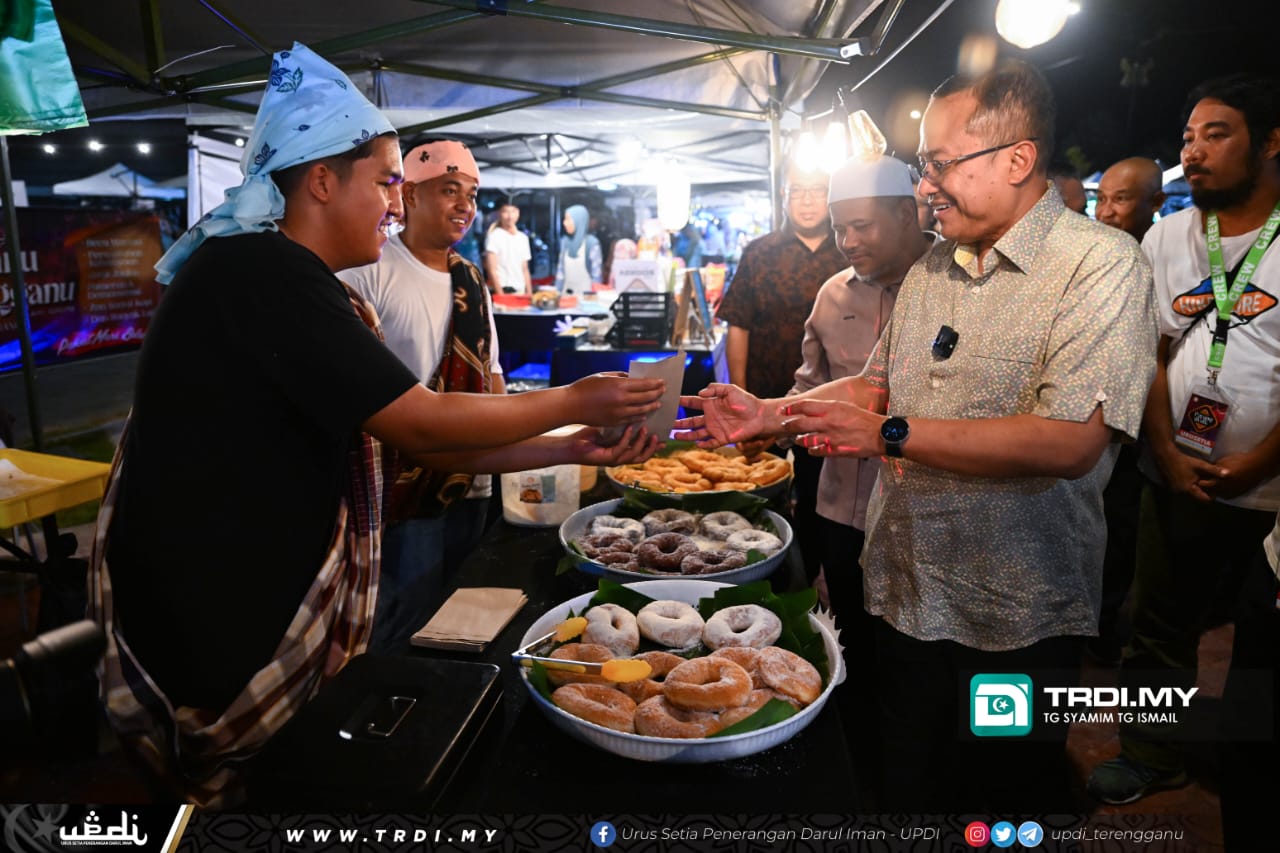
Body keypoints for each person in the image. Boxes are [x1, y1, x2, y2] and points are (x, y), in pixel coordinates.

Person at [86, 43, 663, 806]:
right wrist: (574, 400)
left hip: (234, 588)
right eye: (388, 181)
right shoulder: (262, 276)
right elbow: (420, 424)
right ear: (320, 179)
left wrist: (566, 443)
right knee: (243, 801)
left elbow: (407, 441)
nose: (397, 202)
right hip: (218, 605)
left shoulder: (282, 275)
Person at [677, 58, 1156, 812]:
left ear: (1017, 158)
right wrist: (772, 413)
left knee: (1001, 801)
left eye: (939, 163)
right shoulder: (936, 265)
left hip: (1015, 612)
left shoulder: (1100, 265)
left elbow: (1069, 441)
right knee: (903, 787)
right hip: (904, 591)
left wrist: (887, 434)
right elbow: (876, 381)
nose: (925, 183)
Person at [1088, 72, 1280, 806]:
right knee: (1157, 621)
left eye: (1216, 134)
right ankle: (1149, 752)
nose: (1192, 153)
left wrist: (1258, 461)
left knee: (1260, 640)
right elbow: (1151, 352)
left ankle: (1245, 764)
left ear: (1269, 142)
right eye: (1187, 138)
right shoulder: (1168, 236)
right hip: (1178, 472)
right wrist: (1163, 451)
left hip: (1269, 490)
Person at [790, 151, 934, 799]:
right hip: (839, 512)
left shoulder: (949, 285)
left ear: (909, 215)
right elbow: (811, 388)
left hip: (917, 519)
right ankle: (856, 784)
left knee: (908, 664)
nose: (847, 241)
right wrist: (789, 420)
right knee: (847, 647)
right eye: (841, 227)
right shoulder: (833, 293)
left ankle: (911, 787)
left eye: (863, 226)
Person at [338, 140, 506, 652]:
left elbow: (492, 376)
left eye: (472, 195)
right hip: (400, 494)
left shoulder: (470, 279)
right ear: (408, 194)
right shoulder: (370, 271)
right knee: (399, 619)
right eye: (449, 190)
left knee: (462, 617)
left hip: (469, 484)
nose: (465, 206)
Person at [715, 160, 847, 584]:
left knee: (817, 497)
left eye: (817, 191)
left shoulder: (849, 250)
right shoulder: (760, 251)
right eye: (798, 191)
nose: (807, 201)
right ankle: (757, 578)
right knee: (757, 496)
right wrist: (739, 391)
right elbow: (739, 324)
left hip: (827, 400)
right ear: (784, 198)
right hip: (763, 396)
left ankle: (806, 582)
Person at [1088, 155, 1168, 665]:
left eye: (1121, 199)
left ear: (1154, 203)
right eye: (1102, 199)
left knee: (1118, 534)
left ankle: (1102, 627)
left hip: (1132, 431)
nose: (1107, 211)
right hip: (1080, 422)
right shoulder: (1087, 256)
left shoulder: (1161, 259)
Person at [1095, 156, 1167, 242]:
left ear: (1156, 202)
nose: (1106, 213)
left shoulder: (1170, 250)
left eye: (1120, 198)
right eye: (1101, 199)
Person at [483, 201, 532, 294]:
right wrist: (500, 294)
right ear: (499, 213)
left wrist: (529, 293)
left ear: (518, 213)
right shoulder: (494, 236)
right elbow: (491, 269)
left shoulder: (523, 238)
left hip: (520, 291)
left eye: (513, 211)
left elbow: (525, 269)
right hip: (502, 290)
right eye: (506, 212)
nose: (510, 216)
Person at [555, 204, 602, 294]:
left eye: (568, 219)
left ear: (579, 220)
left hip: (586, 298)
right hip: (566, 296)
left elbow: (596, 277)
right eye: (564, 219)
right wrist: (557, 293)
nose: (564, 223)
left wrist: (594, 301)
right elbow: (560, 273)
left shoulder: (591, 244)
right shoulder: (565, 242)